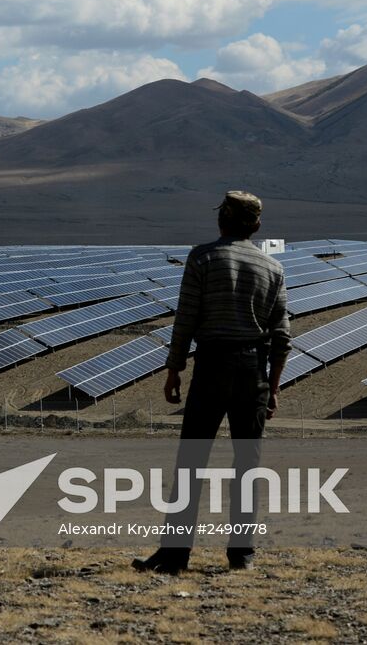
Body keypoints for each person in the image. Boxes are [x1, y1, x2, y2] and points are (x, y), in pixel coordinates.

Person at [131, 190, 289, 574]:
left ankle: (174, 555)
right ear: (256, 225)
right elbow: (282, 336)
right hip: (253, 371)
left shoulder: (202, 257)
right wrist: (273, 385)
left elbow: (186, 317)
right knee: (247, 465)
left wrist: (173, 369)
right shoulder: (272, 267)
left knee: (191, 462)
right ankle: (242, 555)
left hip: (213, 364)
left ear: (222, 221)